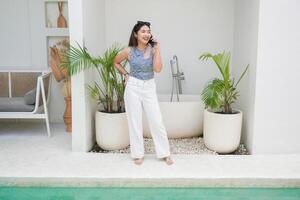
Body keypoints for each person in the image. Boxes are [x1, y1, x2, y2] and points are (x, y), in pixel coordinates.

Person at [114, 21, 174, 165]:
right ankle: (138, 154)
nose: (146, 34)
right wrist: (125, 74)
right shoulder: (128, 51)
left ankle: (165, 153)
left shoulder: (153, 50)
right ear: (136, 34)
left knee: (156, 121)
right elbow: (115, 62)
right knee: (135, 121)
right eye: (143, 31)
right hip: (133, 86)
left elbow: (158, 69)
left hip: (149, 87)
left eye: (148, 31)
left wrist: (158, 49)